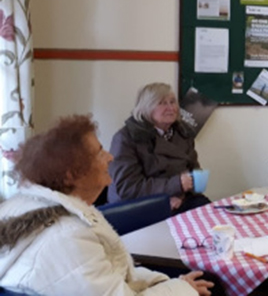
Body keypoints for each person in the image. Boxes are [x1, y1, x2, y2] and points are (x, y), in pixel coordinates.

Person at [0, 114, 214, 295]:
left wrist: (169, 282)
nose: (110, 157)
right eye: (100, 153)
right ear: (71, 175)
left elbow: (111, 273)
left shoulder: (29, 206)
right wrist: (181, 288)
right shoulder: (69, 237)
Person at [109, 83, 211, 213]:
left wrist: (181, 194)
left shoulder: (183, 133)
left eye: (173, 102)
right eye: (162, 103)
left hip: (181, 198)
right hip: (138, 206)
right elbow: (128, 188)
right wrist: (175, 187)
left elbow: (194, 173)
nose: (171, 108)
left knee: (211, 214)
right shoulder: (125, 139)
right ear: (146, 108)